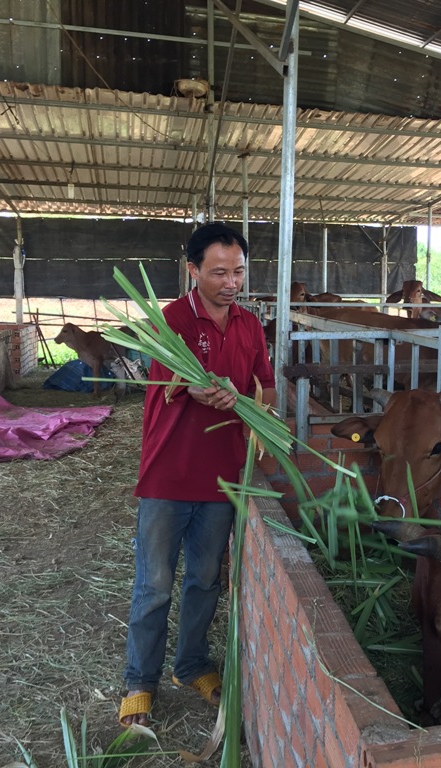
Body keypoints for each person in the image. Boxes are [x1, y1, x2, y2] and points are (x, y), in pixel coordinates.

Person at [119, 223, 276, 728]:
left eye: (238, 272)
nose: (232, 282)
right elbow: (167, 377)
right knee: (155, 584)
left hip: (223, 478)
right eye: (219, 273)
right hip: (168, 474)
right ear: (192, 270)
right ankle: (140, 681)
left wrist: (253, 404)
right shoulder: (169, 322)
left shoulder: (250, 325)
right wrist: (198, 387)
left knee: (206, 579)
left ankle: (191, 666)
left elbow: (266, 388)